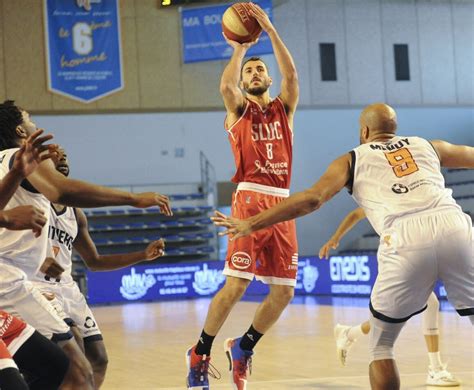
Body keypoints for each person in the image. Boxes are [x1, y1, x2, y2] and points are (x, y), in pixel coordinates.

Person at [213, 103, 474, 390]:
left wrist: (253, 223)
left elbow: (313, 199)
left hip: (405, 236)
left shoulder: (352, 159)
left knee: (382, 346)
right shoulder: (429, 146)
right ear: (395, 128)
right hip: (455, 227)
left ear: (364, 132)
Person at [0, 99, 172, 389]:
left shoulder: (10, 166)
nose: (36, 124)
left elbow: (93, 259)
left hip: (29, 283)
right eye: (30, 119)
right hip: (18, 283)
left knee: (76, 367)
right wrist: (133, 199)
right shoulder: (19, 156)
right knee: (76, 373)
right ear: (20, 129)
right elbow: (60, 190)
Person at [186, 3, 299, 389]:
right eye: (249, 69)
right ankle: (200, 351)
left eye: (259, 69)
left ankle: (243, 346)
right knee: (236, 284)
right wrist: (240, 48)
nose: (254, 72)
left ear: (268, 78)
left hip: (282, 202)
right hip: (249, 197)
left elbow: (293, 74)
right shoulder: (238, 110)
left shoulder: (285, 109)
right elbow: (225, 86)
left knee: (284, 292)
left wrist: (269, 30)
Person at [34, 147, 166, 388]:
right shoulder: (33, 199)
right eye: (56, 154)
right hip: (37, 285)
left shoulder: (76, 213)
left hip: (67, 288)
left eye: (65, 155)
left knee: (99, 359)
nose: (62, 157)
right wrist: (36, 262)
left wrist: (143, 255)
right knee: (73, 352)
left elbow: (95, 261)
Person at [319, 207, 460, 386]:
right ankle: (435, 369)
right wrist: (335, 237)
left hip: (407, 257)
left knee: (408, 311)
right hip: (395, 260)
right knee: (427, 304)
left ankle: (349, 333)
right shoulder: (381, 199)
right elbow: (355, 214)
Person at [0, 129, 70, 390]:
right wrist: (133, 199)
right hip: (19, 283)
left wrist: (17, 173)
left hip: (49, 285)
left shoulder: (73, 214)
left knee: (57, 364)